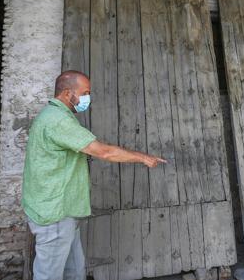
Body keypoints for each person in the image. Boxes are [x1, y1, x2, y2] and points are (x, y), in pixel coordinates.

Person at [22, 70, 166, 280]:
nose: (87, 98)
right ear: (67, 93)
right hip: (55, 214)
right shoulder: (58, 121)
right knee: (48, 275)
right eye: (85, 92)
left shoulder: (52, 116)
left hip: (62, 210)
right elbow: (103, 151)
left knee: (74, 271)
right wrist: (143, 158)